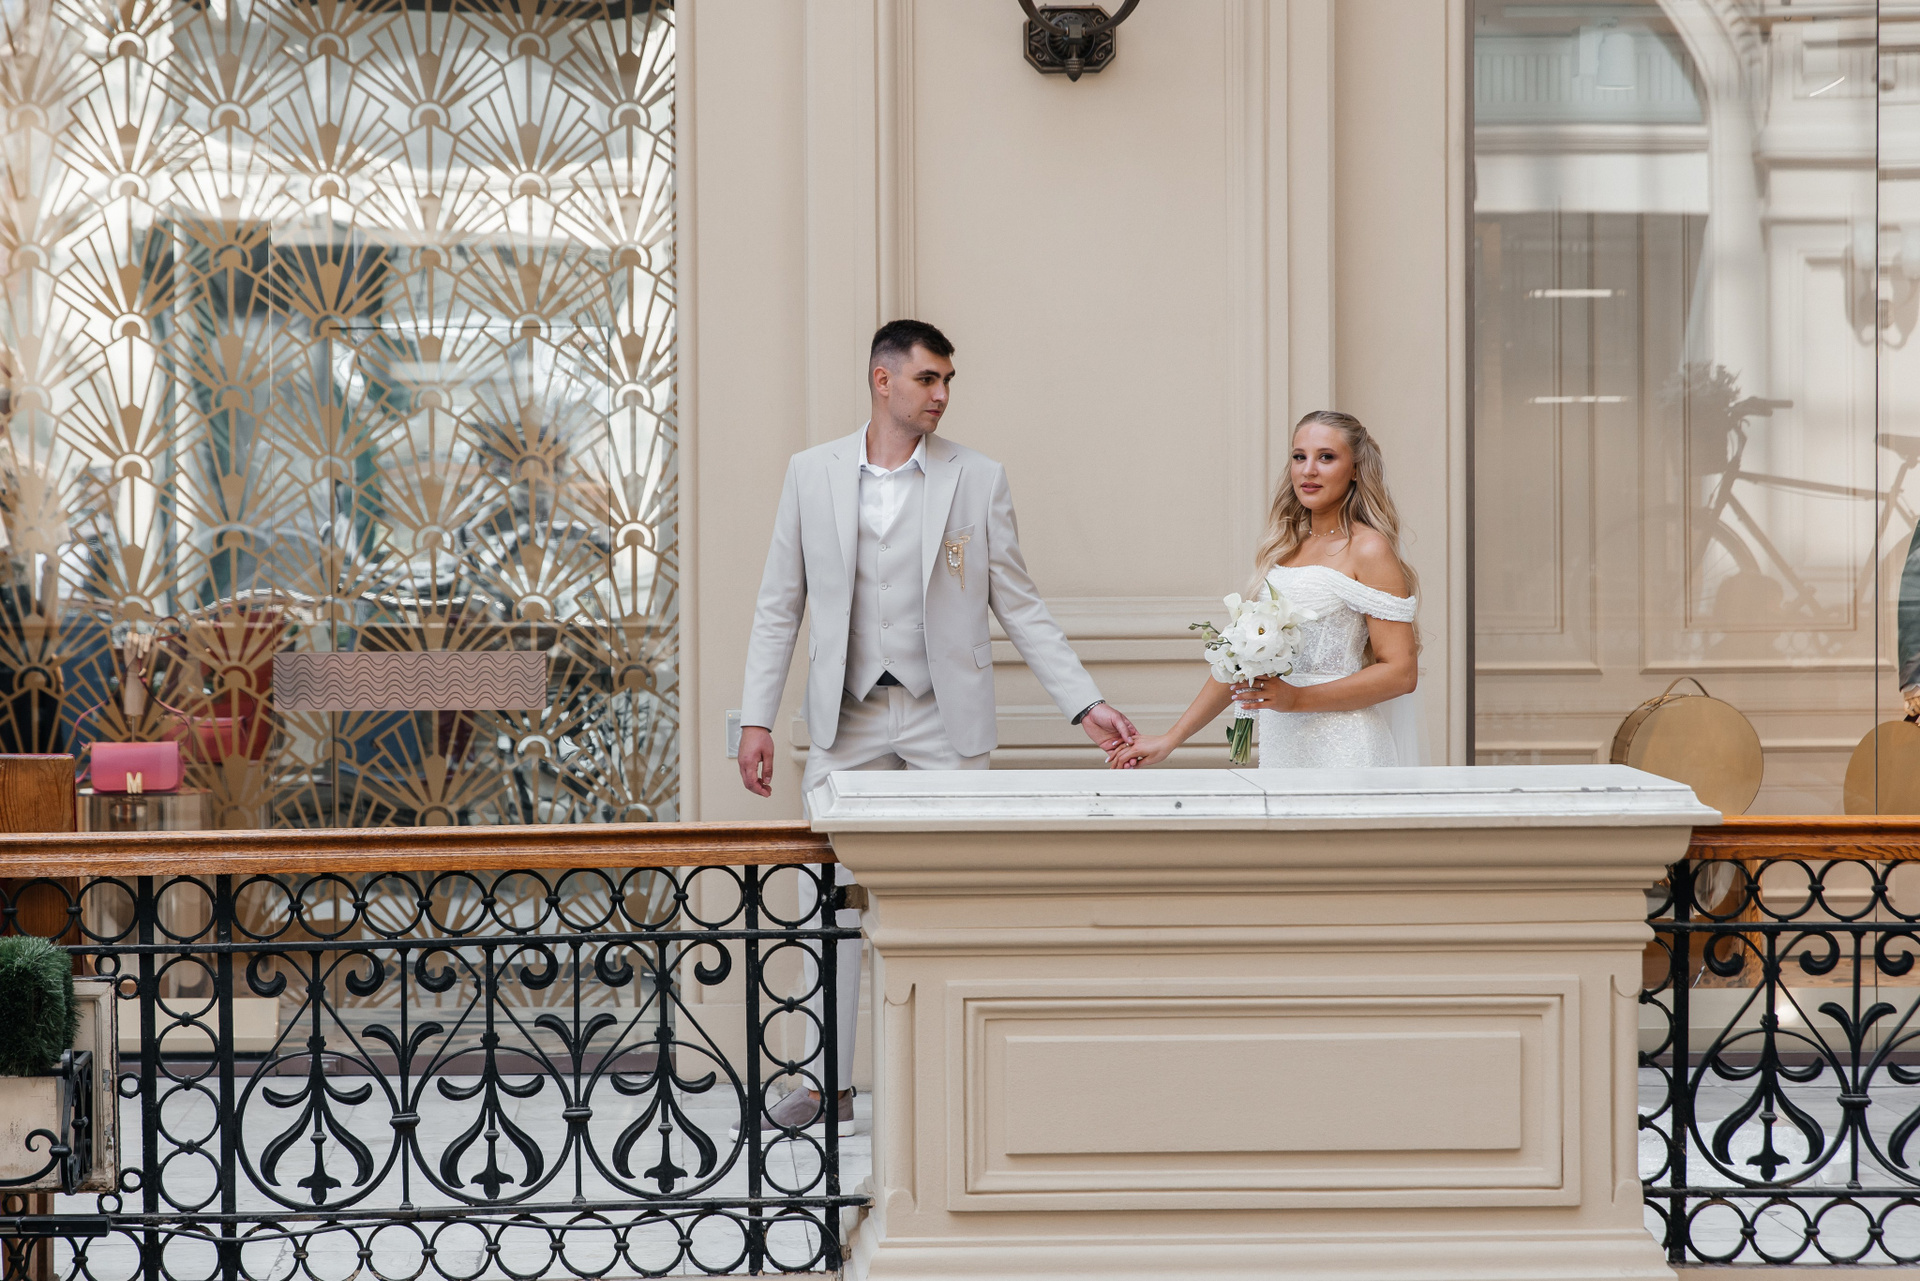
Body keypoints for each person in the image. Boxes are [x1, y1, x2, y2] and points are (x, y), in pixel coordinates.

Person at [738, 318, 1139, 1132]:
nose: (942, 394)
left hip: (941, 717)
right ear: (882, 379)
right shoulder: (811, 473)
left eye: (948, 380)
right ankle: (828, 1084)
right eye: (928, 378)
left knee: (959, 894)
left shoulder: (976, 478)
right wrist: (757, 718)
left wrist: (1084, 703)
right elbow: (780, 604)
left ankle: (957, 1083)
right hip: (847, 719)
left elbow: (1019, 603)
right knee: (831, 902)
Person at [1109, 410, 1419, 770]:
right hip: (1281, 742)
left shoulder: (1368, 548)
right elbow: (1240, 661)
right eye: (1299, 456)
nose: (1308, 470)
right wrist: (1171, 739)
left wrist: (1297, 699)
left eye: (1326, 457)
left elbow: (1400, 673)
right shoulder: (1286, 546)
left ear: (1354, 469)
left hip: (1346, 750)